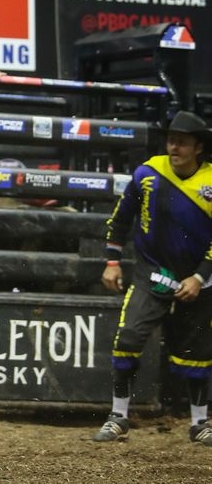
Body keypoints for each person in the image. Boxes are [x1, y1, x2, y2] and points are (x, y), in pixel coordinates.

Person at [93, 110, 212, 447]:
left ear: (198, 147)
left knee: (198, 353)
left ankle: (200, 422)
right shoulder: (147, 173)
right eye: (171, 140)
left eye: (183, 142)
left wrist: (200, 277)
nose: (174, 147)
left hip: (199, 281)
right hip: (152, 274)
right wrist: (112, 262)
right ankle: (118, 416)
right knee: (128, 336)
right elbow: (120, 219)